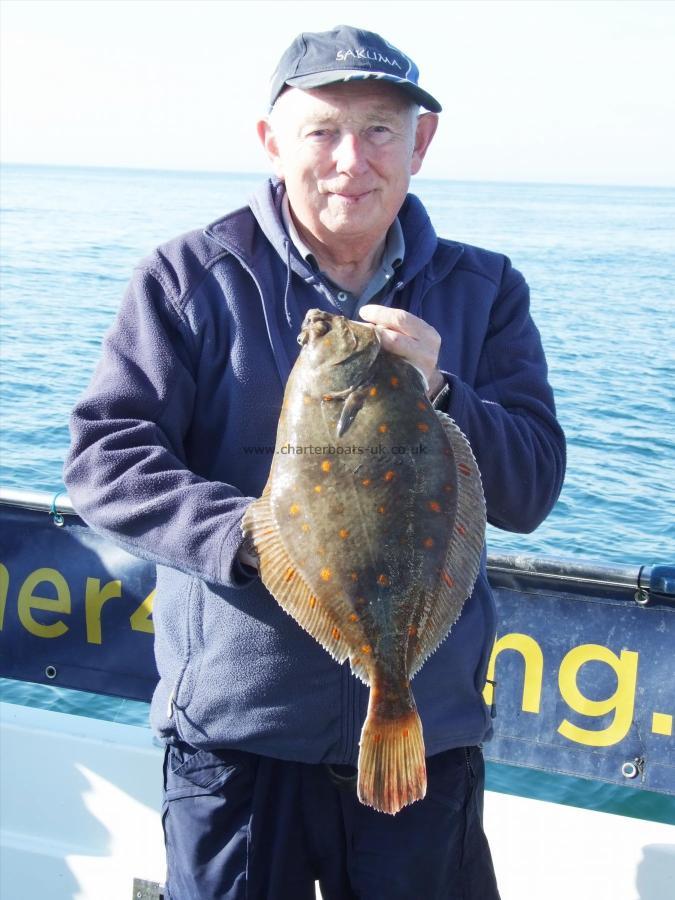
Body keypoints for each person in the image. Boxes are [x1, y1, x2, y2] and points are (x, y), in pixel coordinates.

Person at [64, 25, 565, 900]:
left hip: (425, 737)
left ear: (421, 144)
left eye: (379, 130)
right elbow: (107, 459)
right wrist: (258, 537)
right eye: (321, 132)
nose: (350, 161)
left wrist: (443, 389)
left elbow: (528, 489)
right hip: (239, 741)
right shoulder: (191, 278)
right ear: (272, 142)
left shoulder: (486, 291)